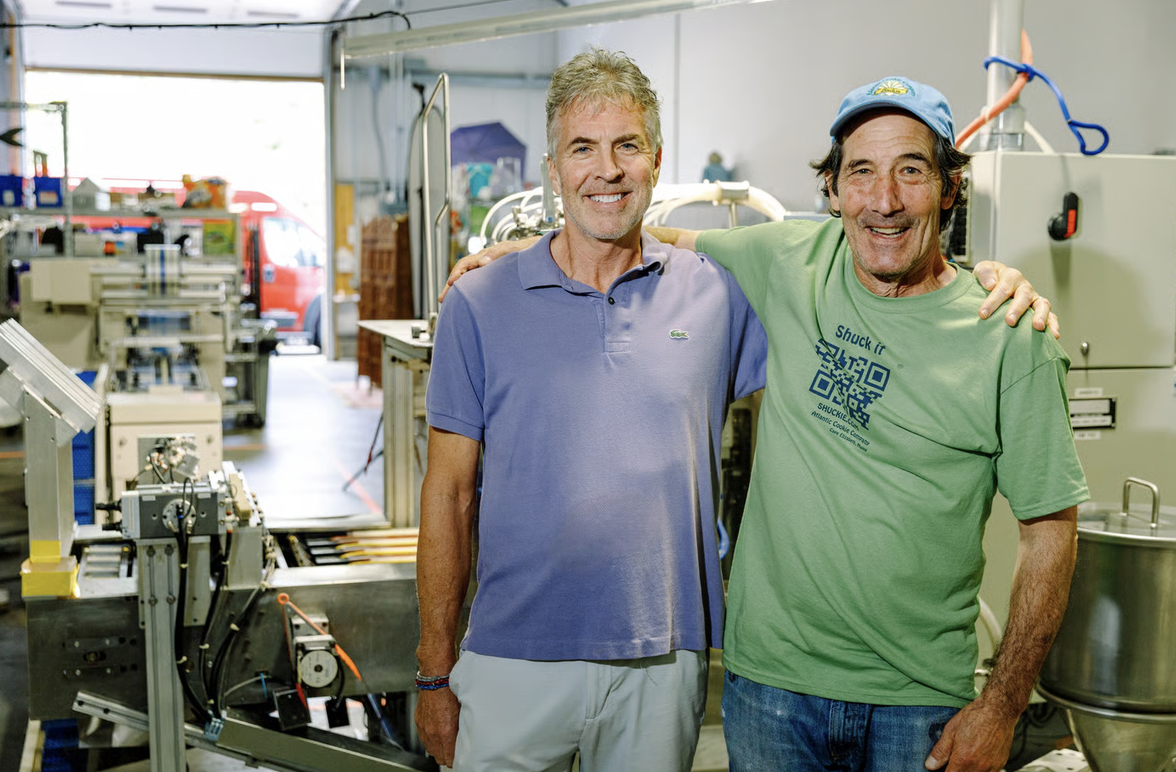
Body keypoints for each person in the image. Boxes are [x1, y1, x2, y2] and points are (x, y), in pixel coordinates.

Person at [420, 54, 1053, 772]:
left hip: (668, 661)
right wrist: (433, 671)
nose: (607, 170)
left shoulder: (717, 292)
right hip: (519, 656)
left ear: (657, 162)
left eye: (627, 146)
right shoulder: (483, 302)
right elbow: (448, 494)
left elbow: (875, 285)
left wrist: (995, 276)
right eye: (583, 149)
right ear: (553, 166)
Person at [656, 76, 1087, 772]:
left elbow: (1050, 533)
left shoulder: (1011, 333)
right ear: (832, 190)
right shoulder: (791, 259)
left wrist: (1003, 707)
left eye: (911, 171)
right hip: (770, 688)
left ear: (950, 189)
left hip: (920, 707)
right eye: (861, 172)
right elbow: (640, 239)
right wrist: (517, 256)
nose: (884, 201)